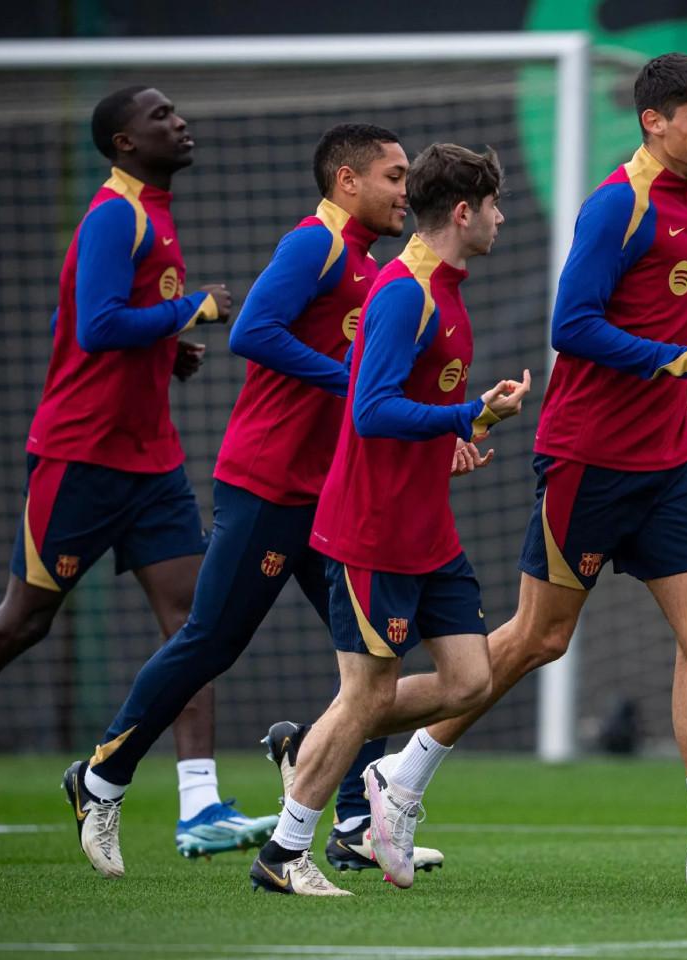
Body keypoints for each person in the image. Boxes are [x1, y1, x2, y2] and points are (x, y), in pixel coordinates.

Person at [345, 53, 687, 894]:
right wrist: (677, 361)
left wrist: (680, 386)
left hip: (664, 461)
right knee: (537, 640)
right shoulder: (617, 206)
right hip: (589, 458)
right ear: (654, 122)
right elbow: (573, 326)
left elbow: (652, 325)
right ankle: (401, 773)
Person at [61, 124, 449, 876]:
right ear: (346, 181)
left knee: (377, 658)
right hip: (269, 485)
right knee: (213, 639)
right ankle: (101, 777)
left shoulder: (372, 267)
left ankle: (350, 816)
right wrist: (353, 381)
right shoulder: (315, 246)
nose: (406, 192)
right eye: (394, 176)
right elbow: (254, 332)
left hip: (327, 492)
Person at [0, 86, 233, 851]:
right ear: (124, 143)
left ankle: (201, 806)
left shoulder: (155, 212)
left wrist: (170, 352)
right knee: (23, 621)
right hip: (82, 456)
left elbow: (109, 324)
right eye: (160, 115)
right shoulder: (114, 214)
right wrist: (189, 312)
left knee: (196, 626)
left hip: (150, 457)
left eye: (176, 111)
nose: (179, 121)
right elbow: (98, 328)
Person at [250, 143, 528, 896]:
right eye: (496, 206)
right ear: (465, 213)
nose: (504, 219)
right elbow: (369, 411)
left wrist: (454, 435)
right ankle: (283, 853)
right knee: (368, 695)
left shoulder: (448, 286)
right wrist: (470, 411)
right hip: (371, 530)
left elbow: (410, 408)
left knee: (470, 680)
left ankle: (317, 749)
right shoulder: (406, 289)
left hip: (425, 527)